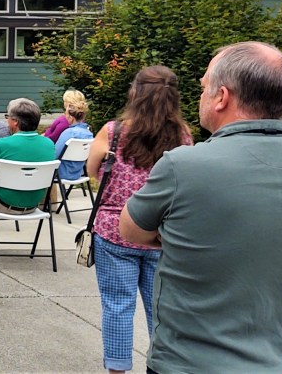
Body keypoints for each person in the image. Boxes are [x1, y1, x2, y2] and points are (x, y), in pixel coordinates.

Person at [121, 43, 282, 373]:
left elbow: (130, 230)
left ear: (222, 97)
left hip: (192, 363)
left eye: (204, 87)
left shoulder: (182, 166)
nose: (200, 95)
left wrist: (178, 236)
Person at [86, 65, 192, 374]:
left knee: (117, 305)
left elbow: (93, 172)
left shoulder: (113, 132)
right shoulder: (183, 137)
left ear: (135, 92)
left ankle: (117, 368)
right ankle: (163, 365)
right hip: (161, 234)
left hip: (115, 230)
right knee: (161, 308)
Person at [0, 98, 57, 250]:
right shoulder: (49, 144)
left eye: (7, 117)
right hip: (34, 203)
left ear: (14, 122)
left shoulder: (1, 144)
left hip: (3, 203)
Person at [53, 97, 94, 181]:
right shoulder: (89, 134)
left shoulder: (69, 133)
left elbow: (55, 155)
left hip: (61, 173)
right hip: (78, 173)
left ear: (71, 118)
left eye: (66, 115)